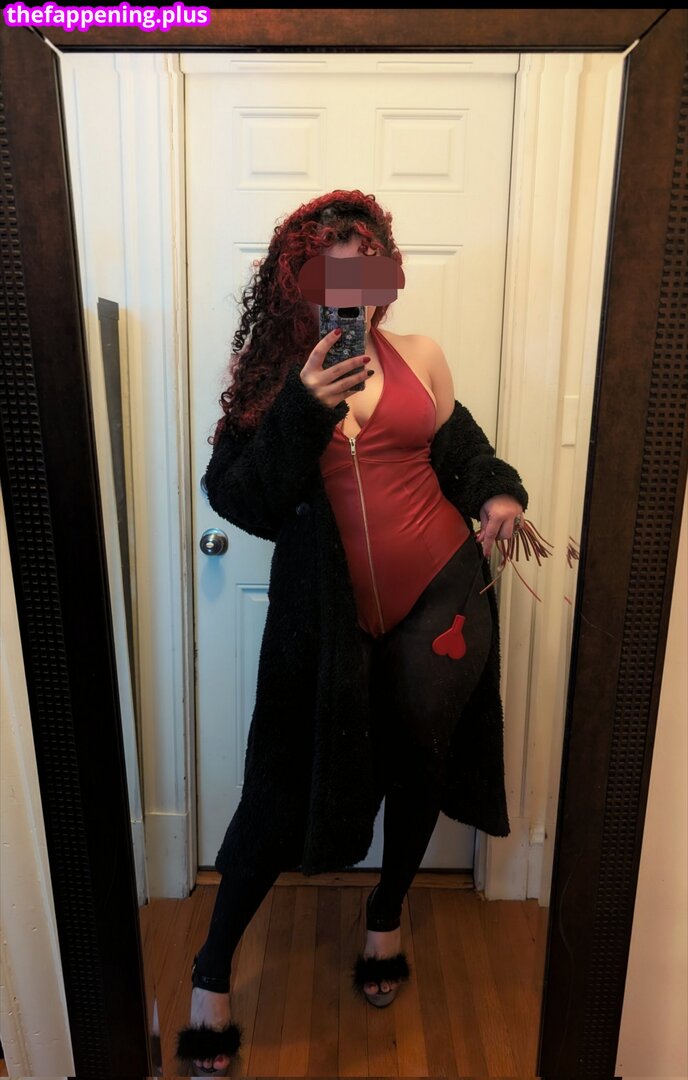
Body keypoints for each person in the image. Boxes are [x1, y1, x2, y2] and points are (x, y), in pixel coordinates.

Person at [176, 190, 528, 1075]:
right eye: (332, 280)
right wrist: (302, 407)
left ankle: (385, 917)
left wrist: (497, 493)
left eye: (367, 276)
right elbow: (239, 499)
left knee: (421, 763)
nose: (353, 298)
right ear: (298, 285)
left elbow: (459, 449)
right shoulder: (273, 380)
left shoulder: (421, 356)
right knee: (276, 792)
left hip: (442, 591)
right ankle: (211, 970)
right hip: (327, 620)